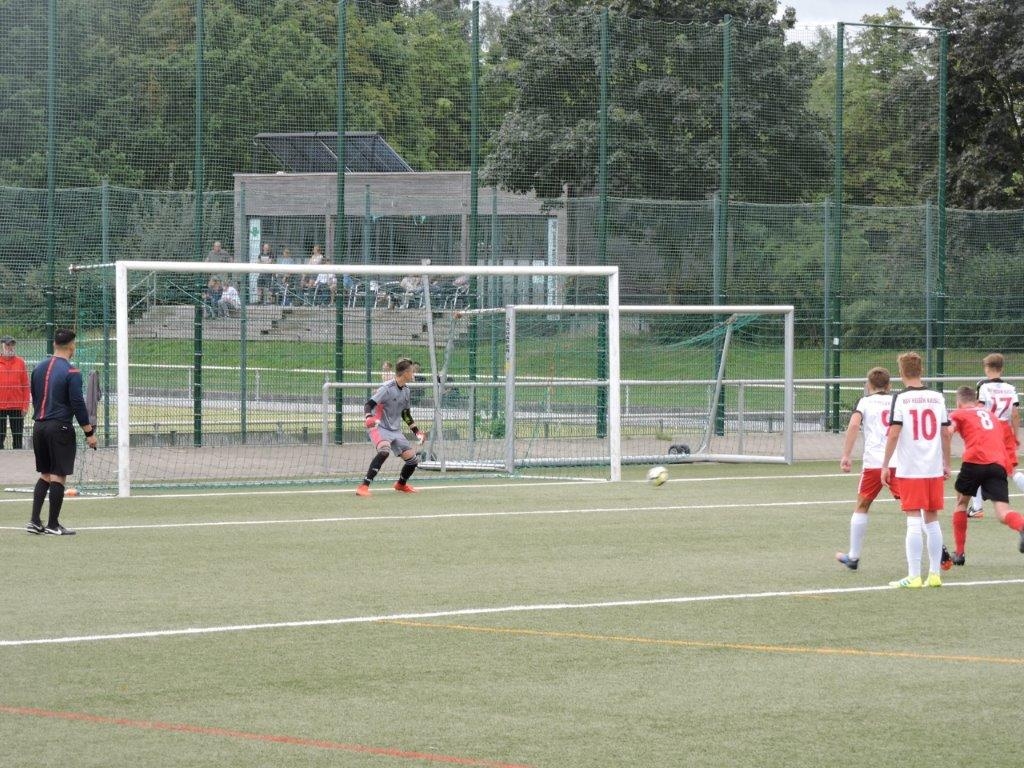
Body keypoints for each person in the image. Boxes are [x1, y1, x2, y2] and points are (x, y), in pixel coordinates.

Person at [880, 351, 951, 588]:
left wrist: (885, 464)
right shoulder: (937, 397)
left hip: (911, 468)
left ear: (901, 372)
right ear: (921, 370)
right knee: (932, 518)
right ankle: (934, 574)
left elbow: (894, 433)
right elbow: (945, 433)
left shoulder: (901, 398)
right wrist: (946, 463)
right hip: (933, 468)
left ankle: (913, 576)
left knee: (913, 518)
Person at [26, 329, 97, 536]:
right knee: (58, 475)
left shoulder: (38, 368)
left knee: (45, 474)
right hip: (60, 428)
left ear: (54, 345)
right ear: (72, 346)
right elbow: (77, 403)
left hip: (39, 426)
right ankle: (53, 524)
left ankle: (34, 521)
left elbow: (35, 396)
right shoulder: (72, 372)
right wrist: (89, 432)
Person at [947, 386, 1024, 564]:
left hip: (974, 461)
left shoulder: (958, 413)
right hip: (997, 463)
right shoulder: (991, 415)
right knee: (1003, 512)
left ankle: (959, 554)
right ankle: (1022, 525)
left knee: (961, 504)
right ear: (975, 401)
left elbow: (948, 431)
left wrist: (944, 458)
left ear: (958, 402)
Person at [835, 367, 900, 571]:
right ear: (889, 386)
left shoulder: (864, 402)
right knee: (914, 508)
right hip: (898, 462)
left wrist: (846, 455)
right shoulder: (898, 401)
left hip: (874, 463)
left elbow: (854, 425)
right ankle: (938, 548)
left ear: (868, 385)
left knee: (862, 505)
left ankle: (853, 557)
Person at [355, 357, 427, 497]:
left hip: (395, 430)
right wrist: (368, 417)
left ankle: (401, 484)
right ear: (405, 373)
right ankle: (363, 486)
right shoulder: (386, 388)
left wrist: (417, 432)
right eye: (412, 372)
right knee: (384, 451)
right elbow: (368, 405)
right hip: (379, 427)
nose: (413, 374)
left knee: (413, 460)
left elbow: (405, 414)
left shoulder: (406, 390)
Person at [969, 353, 1024, 516]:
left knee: (977, 466)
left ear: (987, 368)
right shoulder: (1010, 387)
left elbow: (979, 409)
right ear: (1002, 368)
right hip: (1005, 429)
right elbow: (1015, 414)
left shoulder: (983, 386)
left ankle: (977, 508)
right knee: (1012, 470)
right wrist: (1016, 435)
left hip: (988, 429)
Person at [0, 335, 30, 449]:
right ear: (2, 346)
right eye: (8, 345)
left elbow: (26, 386)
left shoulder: (20, 362)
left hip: (17, 405)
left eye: (12, 345)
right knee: (0, 437)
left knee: (17, 438)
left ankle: (17, 458)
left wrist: (25, 406)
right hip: (0, 406)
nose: (10, 347)